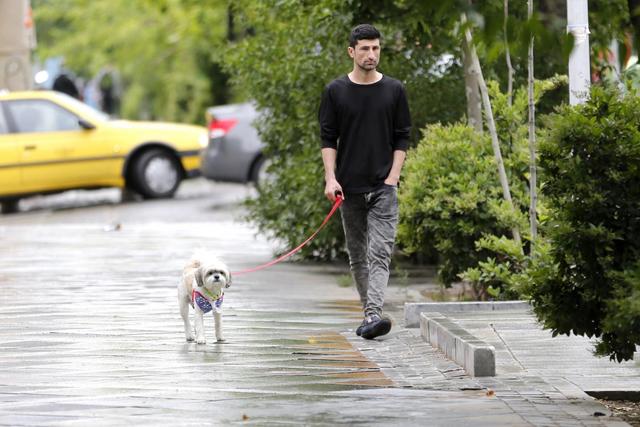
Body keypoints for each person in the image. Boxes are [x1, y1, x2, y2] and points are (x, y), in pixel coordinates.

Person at [318, 24, 411, 339]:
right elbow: (328, 138)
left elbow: (402, 137)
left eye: (376, 48)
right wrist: (331, 179)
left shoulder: (395, 90)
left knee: (380, 252)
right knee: (358, 255)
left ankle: (373, 315)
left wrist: (393, 177)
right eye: (365, 49)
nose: (371, 54)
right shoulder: (336, 91)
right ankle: (369, 315)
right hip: (349, 188)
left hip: (384, 187)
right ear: (351, 51)